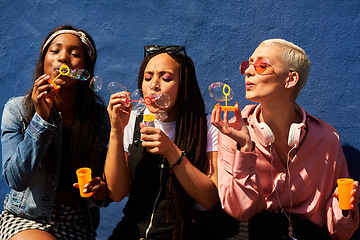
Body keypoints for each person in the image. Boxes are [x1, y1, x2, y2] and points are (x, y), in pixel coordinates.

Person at [211, 39, 360, 239]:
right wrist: (245, 148)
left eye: (262, 66)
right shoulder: (233, 132)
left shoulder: (327, 138)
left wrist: (345, 208)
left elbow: (341, 233)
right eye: (247, 65)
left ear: (290, 79)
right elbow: (239, 211)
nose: (247, 72)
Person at [0, 25, 110, 240]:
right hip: (27, 219)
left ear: (85, 67)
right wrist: (40, 119)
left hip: (77, 222)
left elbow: (104, 191)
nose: (64, 58)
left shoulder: (97, 116)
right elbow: (16, 180)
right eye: (55, 51)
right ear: (44, 61)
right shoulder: (17, 110)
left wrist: (100, 191)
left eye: (75, 54)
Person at [104, 45, 219, 240]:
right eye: (147, 77)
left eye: (165, 78)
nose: (153, 84)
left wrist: (171, 152)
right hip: (130, 233)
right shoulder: (132, 120)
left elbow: (209, 200)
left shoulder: (206, 127)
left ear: (184, 85)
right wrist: (117, 130)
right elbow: (116, 193)